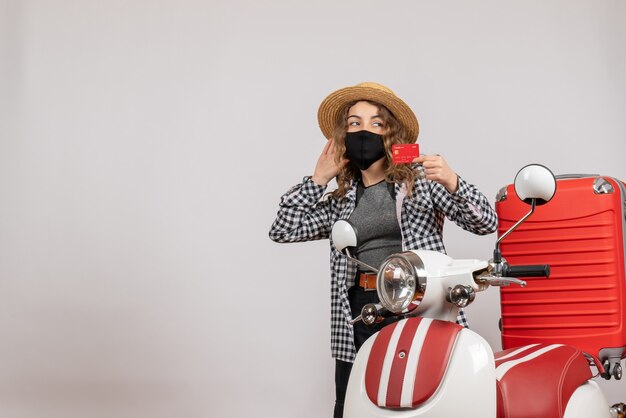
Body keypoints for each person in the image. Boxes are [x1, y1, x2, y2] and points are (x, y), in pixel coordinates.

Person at [269, 82, 497, 418]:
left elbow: (485, 221)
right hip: (363, 308)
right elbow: (282, 229)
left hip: (420, 302)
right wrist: (317, 180)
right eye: (354, 124)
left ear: (391, 135)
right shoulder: (339, 201)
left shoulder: (418, 182)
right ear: (343, 138)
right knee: (357, 403)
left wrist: (453, 180)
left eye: (377, 124)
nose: (365, 132)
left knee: (425, 397)